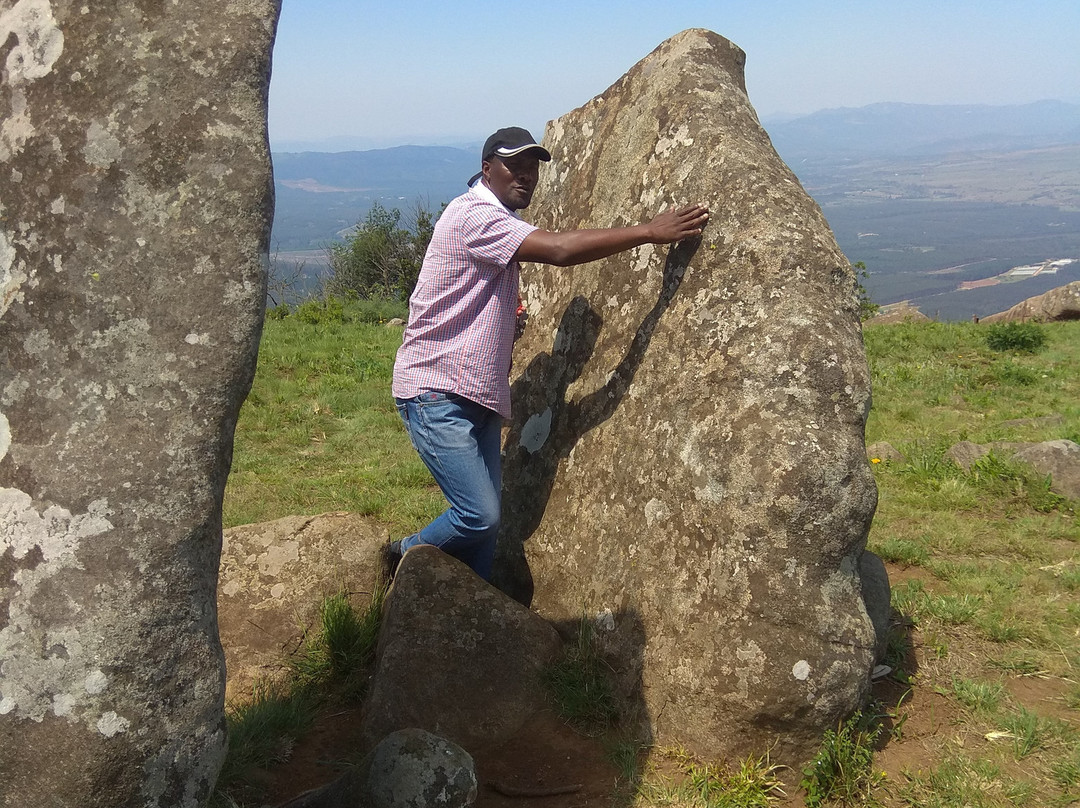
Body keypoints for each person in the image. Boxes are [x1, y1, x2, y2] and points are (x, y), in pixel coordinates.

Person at [388, 126, 708, 580]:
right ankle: (402, 554)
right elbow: (558, 250)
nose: (525, 175)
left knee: (485, 535)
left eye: (532, 167)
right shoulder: (475, 215)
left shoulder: (492, 218)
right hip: (437, 393)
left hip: (475, 394)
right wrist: (648, 232)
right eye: (512, 165)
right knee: (480, 516)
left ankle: (473, 611)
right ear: (486, 169)